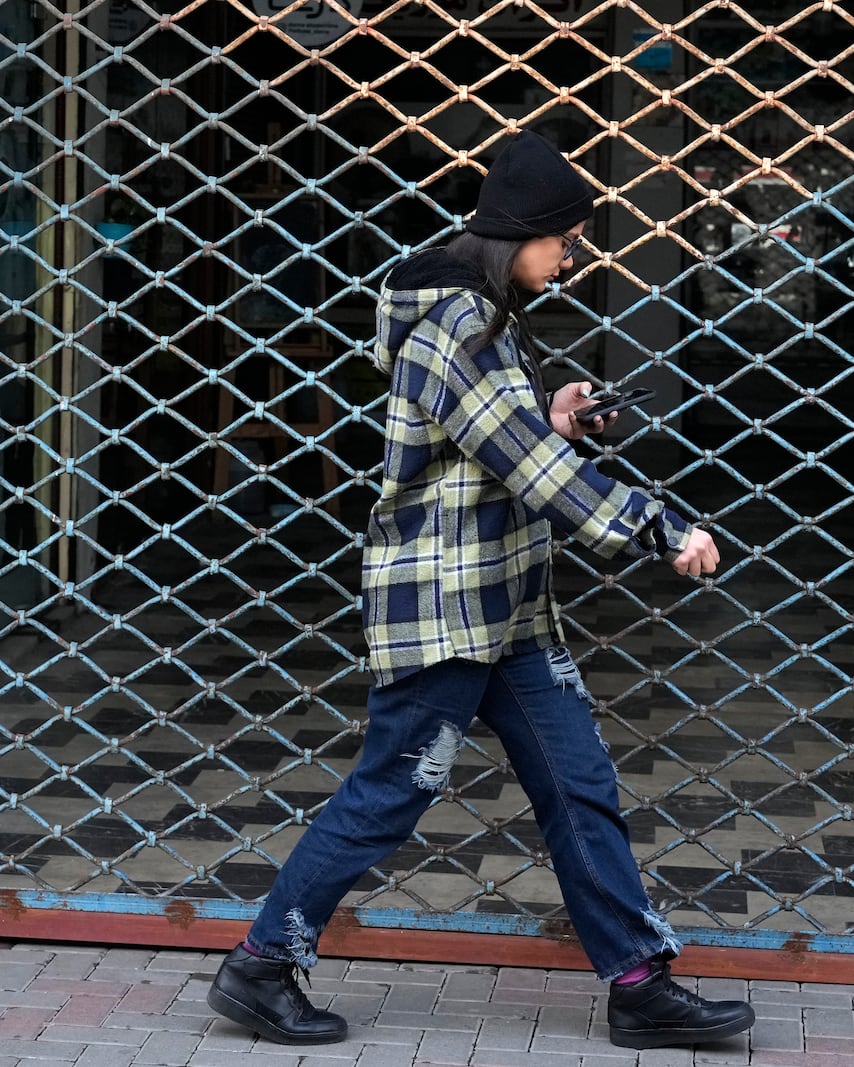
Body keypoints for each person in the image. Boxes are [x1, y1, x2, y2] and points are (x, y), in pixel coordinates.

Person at [207, 129, 754, 1051]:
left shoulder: (487, 318)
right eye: (564, 240)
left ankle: (637, 982)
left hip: (505, 610)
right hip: (444, 605)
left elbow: (502, 436)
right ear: (521, 235)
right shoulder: (453, 325)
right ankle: (261, 964)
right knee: (389, 793)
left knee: (579, 784)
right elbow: (530, 467)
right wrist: (661, 527)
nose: (571, 256)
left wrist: (557, 411)